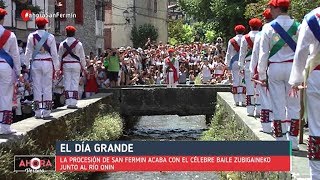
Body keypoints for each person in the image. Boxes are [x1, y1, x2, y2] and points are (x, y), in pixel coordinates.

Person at [258, 0, 300, 150]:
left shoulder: (268, 27)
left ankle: (281, 140)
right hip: (293, 68)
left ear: (276, 8)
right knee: (294, 106)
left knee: (277, 104)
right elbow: (303, 52)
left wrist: (261, 75)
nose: (270, 9)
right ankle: (293, 142)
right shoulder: (298, 26)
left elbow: (263, 54)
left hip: (275, 68)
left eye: (271, 7)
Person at [289, 6, 320, 179]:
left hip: (318, 74)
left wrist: (296, 80)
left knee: (316, 127)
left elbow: (301, 51)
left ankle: (316, 175)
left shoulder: (312, 17)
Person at [25, 17, 59, 119]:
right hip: (47, 62)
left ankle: (38, 112)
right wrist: (57, 67)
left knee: (37, 88)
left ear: (36, 25)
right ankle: (47, 112)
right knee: (47, 88)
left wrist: (27, 65)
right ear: (45, 25)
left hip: (36, 63)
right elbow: (54, 54)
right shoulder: (50, 37)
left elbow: (28, 52)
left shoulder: (31, 36)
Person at [250, 9, 274, 133]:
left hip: (266, 68)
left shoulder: (262, 33)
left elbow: (257, 54)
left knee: (265, 98)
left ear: (264, 19)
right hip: (286, 67)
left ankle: (266, 127)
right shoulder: (289, 29)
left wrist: (253, 70)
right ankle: (284, 130)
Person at [0, 8, 20, 134]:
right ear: (3, 19)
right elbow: (15, 55)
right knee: (6, 95)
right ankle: (4, 127)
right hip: (5, 67)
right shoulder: (10, 35)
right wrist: (18, 72)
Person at [239, 18, 262, 117]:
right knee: (260, 88)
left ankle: (250, 110)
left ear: (250, 26)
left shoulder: (246, 37)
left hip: (248, 64)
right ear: (260, 26)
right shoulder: (262, 35)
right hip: (261, 64)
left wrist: (240, 65)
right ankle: (259, 110)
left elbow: (242, 53)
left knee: (249, 87)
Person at [58, 26, 85, 108]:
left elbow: (59, 57)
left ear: (66, 33)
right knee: (74, 82)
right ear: (74, 33)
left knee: (67, 82)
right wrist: (84, 67)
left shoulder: (62, 44)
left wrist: (58, 68)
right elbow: (82, 57)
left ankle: (68, 101)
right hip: (76, 64)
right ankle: (73, 101)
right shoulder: (79, 44)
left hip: (66, 64)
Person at [225, 25, 246, 106]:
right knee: (243, 81)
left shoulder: (232, 40)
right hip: (243, 62)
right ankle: (244, 100)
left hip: (234, 62)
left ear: (236, 31)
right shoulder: (246, 39)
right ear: (243, 31)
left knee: (235, 81)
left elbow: (228, 53)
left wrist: (227, 64)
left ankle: (236, 101)